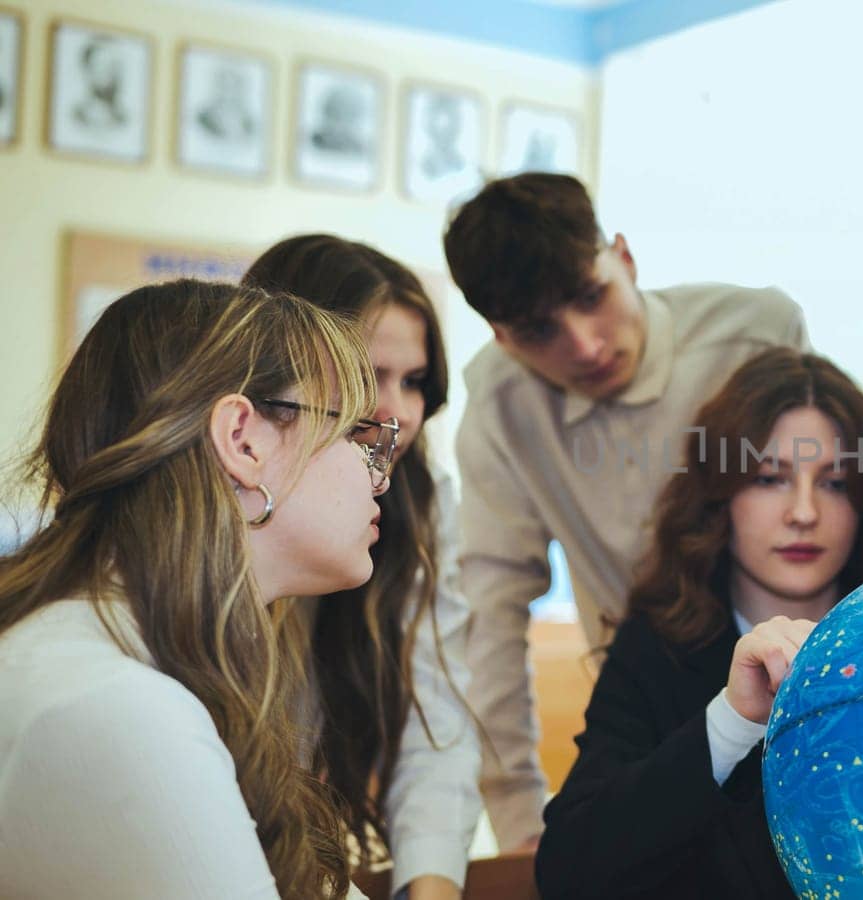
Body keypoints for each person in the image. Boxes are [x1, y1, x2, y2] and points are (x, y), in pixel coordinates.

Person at [443, 172, 810, 846]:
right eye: (539, 330)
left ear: (624, 256)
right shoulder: (500, 405)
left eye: (591, 297)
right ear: (502, 337)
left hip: (794, 692)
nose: (583, 344)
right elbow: (488, 617)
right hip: (644, 711)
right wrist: (521, 823)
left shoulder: (757, 332)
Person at [0, 280, 388, 899]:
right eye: (352, 431)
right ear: (243, 441)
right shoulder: (114, 703)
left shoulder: (149, 658)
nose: (378, 475)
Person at [535, 348, 863, 898]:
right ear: (720, 496)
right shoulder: (659, 645)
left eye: (835, 483)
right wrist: (732, 721)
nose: (803, 513)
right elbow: (568, 873)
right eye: (770, 479)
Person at [244, 235, 481, 900]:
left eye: (414, 383)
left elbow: (438, 719)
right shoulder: (209, 531)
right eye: (370, 376)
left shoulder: (420, 504)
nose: (397, 413)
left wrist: (429, 887)